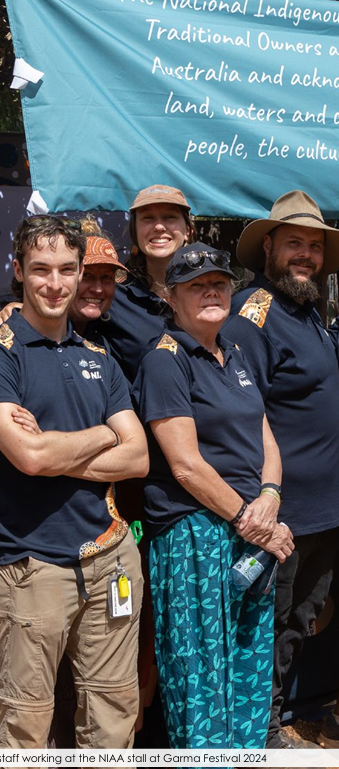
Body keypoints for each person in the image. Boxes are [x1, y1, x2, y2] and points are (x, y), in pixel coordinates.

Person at [0, 214, 149, 749]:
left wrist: (54, 447)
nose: (56, 283)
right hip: (31, 565)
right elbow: (28, 457)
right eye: (41, 269)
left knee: (114, 710)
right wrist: (100, 435)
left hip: (110, 557)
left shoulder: (100, 357)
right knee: (24, 723)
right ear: (18, 270)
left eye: (67, 269)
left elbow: (137, 457)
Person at [133, 242, 294, 749]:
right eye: (196, 285)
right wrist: (254, 519)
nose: (211, 292)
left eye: (219, 283)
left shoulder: (237, 352)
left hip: (249, 533)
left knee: (248, 667)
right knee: (200, 678)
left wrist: (269, 499)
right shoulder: (165, 361)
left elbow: (266, 439)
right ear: (171, 297)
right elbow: (185, 466)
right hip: (194, 536)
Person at [224, 190, 339, 750]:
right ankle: (259, 734)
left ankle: (269, 729)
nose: (306, 255)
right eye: (294, 242)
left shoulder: (307, 311)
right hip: (283, 517)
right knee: (268, 630)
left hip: (325, 513)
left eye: (314, 247)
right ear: (267, 246)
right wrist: (262, 505)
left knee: (299, 624)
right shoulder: (254, 314)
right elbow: (242, 417)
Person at [93, 184, 196, 382]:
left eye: (170, 217)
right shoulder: (114, 294)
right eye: (148, 218)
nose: (159, 226)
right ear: (135, 231)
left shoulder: (210, 290)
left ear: (188, 231)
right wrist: (19, 307)